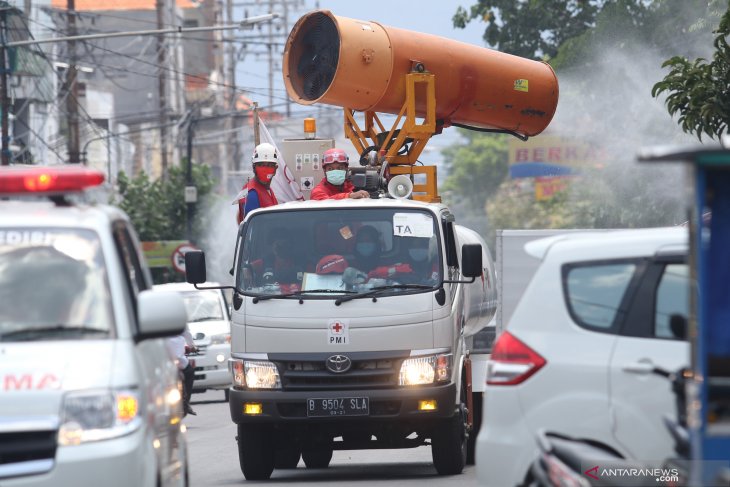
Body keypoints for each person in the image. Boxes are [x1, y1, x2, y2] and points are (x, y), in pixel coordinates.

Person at [236, 142, 280, 224]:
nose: (265, 169)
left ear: (275, 168)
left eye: (269, 165)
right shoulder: (252, 193)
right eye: (261, 165)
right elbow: (252, 227)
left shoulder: (267, 190)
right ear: (253, 167)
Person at [166, 325, 198, 417]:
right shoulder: (178, 320)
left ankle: (185, 403)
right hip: (173, 358)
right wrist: (192, 346)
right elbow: (187, 334)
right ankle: (186, 402)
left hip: (163, 357)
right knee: (189, 372)